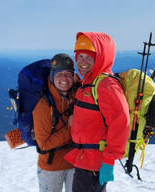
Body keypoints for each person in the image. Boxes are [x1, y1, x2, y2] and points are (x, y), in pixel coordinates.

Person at [64, 32, 130, 192]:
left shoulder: (106, 85)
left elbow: (121, 124)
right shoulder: (89, 82)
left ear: (101, 57)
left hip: (93, 165)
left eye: (88, 57)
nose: (82, 62)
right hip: (84, 160)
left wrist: (109, 161)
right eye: (79, 57)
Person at [33, 53, 77, 192]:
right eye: (59, 74)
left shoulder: (78, 94)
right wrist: (70, 128)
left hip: (75, 163)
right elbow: (44, 144)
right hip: (51, 168)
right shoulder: (44, 104)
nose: (64, 78)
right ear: (52, 76)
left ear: (73, 76)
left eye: (68, 74)